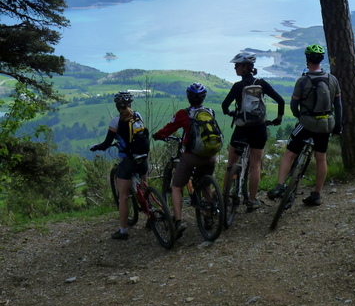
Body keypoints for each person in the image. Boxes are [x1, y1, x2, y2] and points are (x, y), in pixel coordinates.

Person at [267, 44, 342, 206]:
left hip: (307, 123)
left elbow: (294, 106)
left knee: (289, 154)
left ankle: (279, 186)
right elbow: (338, 105)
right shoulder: (332, 79)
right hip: (325, 125)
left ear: (307, 60)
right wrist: (338, 126)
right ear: (321, 60)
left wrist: (299, 117)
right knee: (321, 158)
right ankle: (316, 194)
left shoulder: (303, 81)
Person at [152, 82, 219, 239]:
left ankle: (178, 221)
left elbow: (170, 128)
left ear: (188, 97)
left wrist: (158, 135)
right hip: (210, 156)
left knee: (176, 187)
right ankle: (208, 216)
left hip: (191, 156)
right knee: (206, 184)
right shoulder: (210, 111)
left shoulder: (183, 114)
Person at [222, 51, 285, 211]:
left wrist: (232, 113)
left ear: (245, 68)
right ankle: (251, 200)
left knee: (231, 163)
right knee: (255, 165)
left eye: (237, 65)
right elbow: (281, 101)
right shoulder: (261, 83)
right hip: (259, 128)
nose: (235, 68)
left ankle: (224, 198)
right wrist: (278, 119)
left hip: (242, 129)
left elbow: (224, 106)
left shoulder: (238, 86)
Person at [90, 91, 148, 240]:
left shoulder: (115, 122)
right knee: (144, 187)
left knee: (123, 196)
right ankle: (151, 213)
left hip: (127, 160)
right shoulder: (138, 116)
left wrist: (97, 147)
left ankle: (123, 231)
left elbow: (106, 143)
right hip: (142, 157)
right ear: (130, 104)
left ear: (117, 106)